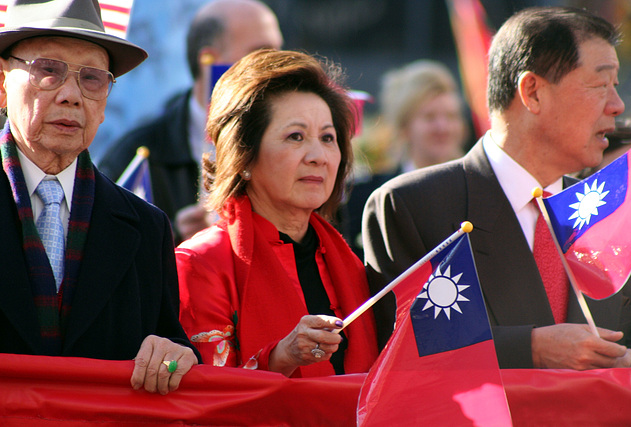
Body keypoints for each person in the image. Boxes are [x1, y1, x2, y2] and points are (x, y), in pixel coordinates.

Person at [363, 6, 631, 370]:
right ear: (532, 92)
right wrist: (531, 348)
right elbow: (404, 351)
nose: (617, 106)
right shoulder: (411, 206)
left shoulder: (612, 211)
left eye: (616, 88)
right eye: (600, 85)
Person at [0, 0, 199, 394]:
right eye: (48, 71)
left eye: (92, 79)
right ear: (2, 84)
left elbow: (170, 346)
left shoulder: (146, 226)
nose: (71, 95)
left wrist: (176, 355)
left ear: (106, 101)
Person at [175, 49, 378, 377]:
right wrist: (281, 357)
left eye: (328, 138)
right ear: (244, 157)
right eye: (295, 136)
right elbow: (210, 398)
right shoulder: (201, 263)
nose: (318, 156)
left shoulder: (346, 260)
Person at [99, 0, 283, 244]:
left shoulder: (294, 144)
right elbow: (109, 251)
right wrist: (174, 241)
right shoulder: (136, 155)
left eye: (280, 53)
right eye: (262, 54)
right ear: (209, 59)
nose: (280, 68)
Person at [340, 60, 468, 259]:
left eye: (451, 116)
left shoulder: (478, 193)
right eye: (430, 117)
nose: (443, 127)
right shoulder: (365, 198)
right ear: (405, 127)